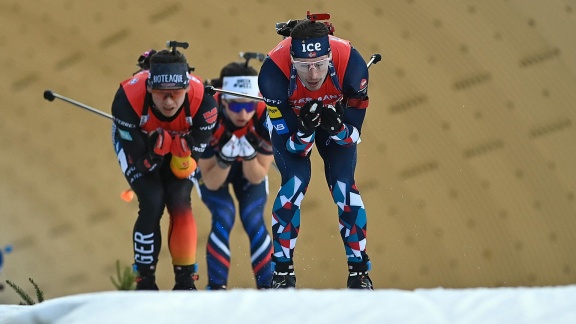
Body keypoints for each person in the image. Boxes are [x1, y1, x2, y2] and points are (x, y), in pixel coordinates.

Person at [258, 13, 373, 289]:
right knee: (294, 185)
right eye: (303, 66)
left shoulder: (353, 66)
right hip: (293, 125)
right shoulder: (272, 74)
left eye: (320, 65)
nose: (313, 74)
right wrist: (306, 130)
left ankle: (359, 272)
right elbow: (294, 149)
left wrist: (337, 130)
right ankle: (282, 273)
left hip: (333, 121)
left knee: (345, 189)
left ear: (331, 58)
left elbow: (352, 138)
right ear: (291, 61)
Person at [111, 42, 218, 290]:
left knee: (180, 199)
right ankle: (144, 280)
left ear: (187, 87)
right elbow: (141, 162)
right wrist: (155, 154)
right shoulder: (126, 100)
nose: (169, 102)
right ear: (148, 87)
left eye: (176, 93)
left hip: (178, 148)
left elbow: (186, 167)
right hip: (141, 147)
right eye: (160, 93)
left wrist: (180, 155)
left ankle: (185, 280)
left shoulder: (205, 103)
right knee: (151, 200)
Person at [196, 56, 275, 290]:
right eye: (235, 105)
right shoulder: (208, 115)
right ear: (222, 101)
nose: (243, 114)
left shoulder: (265, 116)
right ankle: (216, 288)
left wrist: (248, 156)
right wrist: (223, 160)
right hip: (215, 169)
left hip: (249, 169)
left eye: (248, 105)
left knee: (253, 219)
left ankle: (269, 287)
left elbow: (258, 175)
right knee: (224, 215)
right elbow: (209, 183)